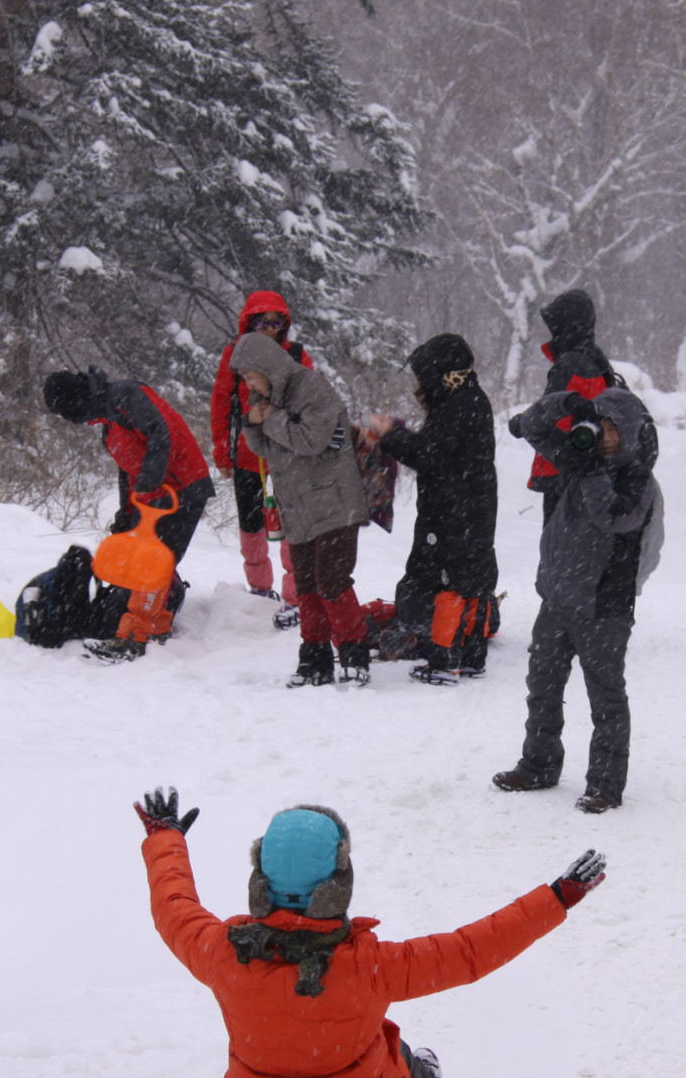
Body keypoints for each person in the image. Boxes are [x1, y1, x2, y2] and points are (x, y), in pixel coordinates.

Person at [133, 787, 608, 1078]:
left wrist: (165, 839)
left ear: (260, 880)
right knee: (405, 1066)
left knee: (379, 1045)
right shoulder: (371, 966)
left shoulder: (225, 953)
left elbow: (174, 906)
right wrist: (558, 897)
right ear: (339, 882)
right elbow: (471, 951)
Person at [492, 381, 662, 814]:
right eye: (598, 425)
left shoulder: (638, 479)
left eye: (612, 429)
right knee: (542, 688)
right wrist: (567, 403)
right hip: (557, 599)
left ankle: (605, 784)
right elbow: (530, 427)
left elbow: (613, 517)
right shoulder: (581, 459)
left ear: (629, 432)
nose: (602, 437)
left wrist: (589, 471)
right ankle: (538, 765)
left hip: (604, 608)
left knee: (605, 697)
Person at [233, 333, 374, 686]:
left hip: (334, 504)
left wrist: (270, 418)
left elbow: (312, 440)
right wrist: (252, 422)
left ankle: (355, 653)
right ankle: (315, 659)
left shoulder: (311, 388)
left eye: (251, 375)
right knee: (307, 586)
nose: (248, 382)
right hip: (297, 509)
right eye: (245, 378)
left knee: (332, 582)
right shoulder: (266, 400)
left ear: (268, 368)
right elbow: (265, 448)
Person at [42, 367, 213, 655]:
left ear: (77, 399)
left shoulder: (125, 396)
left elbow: (160, 434)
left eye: (69, 413)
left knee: (151, 565)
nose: (76, 421)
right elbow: (127, 470)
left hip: (181, 488)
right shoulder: (108, 418)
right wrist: (127, 511)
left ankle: (134, 637)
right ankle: (156, 627)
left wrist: (148, 485)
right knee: (153, 561)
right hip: (157, 493)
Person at [361, 334, 500, 685]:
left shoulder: (457, 406)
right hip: (474, 506)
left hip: (451, 510)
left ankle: (443, 662)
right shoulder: (472, 399)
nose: (420, 386)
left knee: (449, 584)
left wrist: (390, 435)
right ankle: (471, 657)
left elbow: (429, 455)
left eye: (424, 377)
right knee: (473, 581)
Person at [209, 291, 307, 630]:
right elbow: (221, 405)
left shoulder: (296, 355)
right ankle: (259, 590)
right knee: (251, 525)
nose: (269, 328)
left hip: (288, 456)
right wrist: (222, 451)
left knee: (291, 524)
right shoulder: (233, 356)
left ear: (284, 325)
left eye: (276, 322)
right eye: (261, 322)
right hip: (247, 456)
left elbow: (313, 402)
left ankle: (296, 597)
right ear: (248, 323)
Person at [524, 289, 623, 512]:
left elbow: (549, 417)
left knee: (558, 544)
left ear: (565, 328)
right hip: (592, 472)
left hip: (565, 474)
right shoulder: (597, 360)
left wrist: (522, 424)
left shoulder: (569, 365)